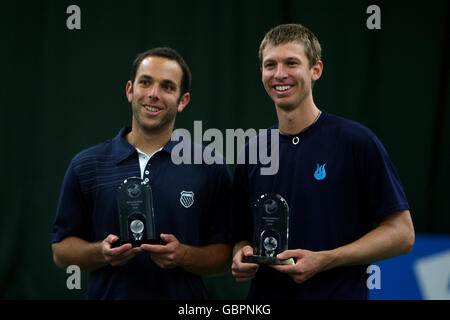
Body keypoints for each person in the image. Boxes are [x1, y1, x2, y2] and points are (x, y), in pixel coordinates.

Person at [231, 24, 415, 299]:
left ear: (315, 70)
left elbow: (402, 234)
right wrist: (240, 254)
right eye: (270, 65)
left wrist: (326, 259)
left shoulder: (356, 141)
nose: (280, 74)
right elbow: (241, 235)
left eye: (291, 63)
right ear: (262, 73)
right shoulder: (251, 151)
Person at [51, 47, 233, 299]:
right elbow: (61, 251)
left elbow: (225, 254)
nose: (154, 94)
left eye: (168, 87)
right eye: (145, 83)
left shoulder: (210, 166)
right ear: (130, 90)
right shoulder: (86, 165)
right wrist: (101, 252)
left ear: (183, 101)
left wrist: (183, 255)